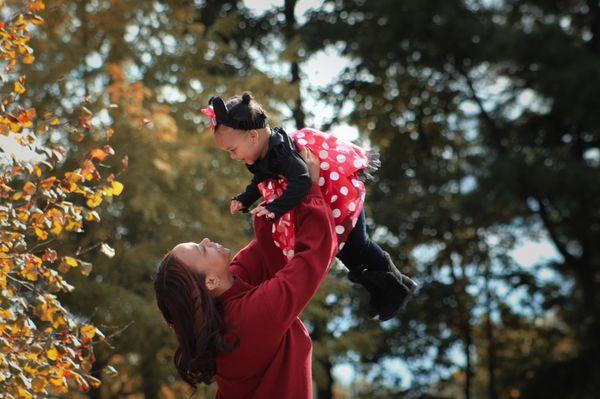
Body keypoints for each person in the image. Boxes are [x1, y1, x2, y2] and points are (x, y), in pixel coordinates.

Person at [201, 92, 416, 320]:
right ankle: (389, 287)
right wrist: (245, 198)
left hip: (337, 199)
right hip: (327, 204)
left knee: (358, 247)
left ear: (253, 136)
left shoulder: (283, 154)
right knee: (345, 252)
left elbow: (303, 180)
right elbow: (260, 180)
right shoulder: (261, 156)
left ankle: (396, 289)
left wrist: (276, 207)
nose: (233, 157)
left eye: (232, 150)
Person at [154, 149, 338, 398]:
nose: (206, 240)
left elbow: (265, 252)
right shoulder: (246, 321)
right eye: (201, 248)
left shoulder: (228, 289)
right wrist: (309, 189)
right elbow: (310, 261)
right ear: (210, 281)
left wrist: (275, 201)